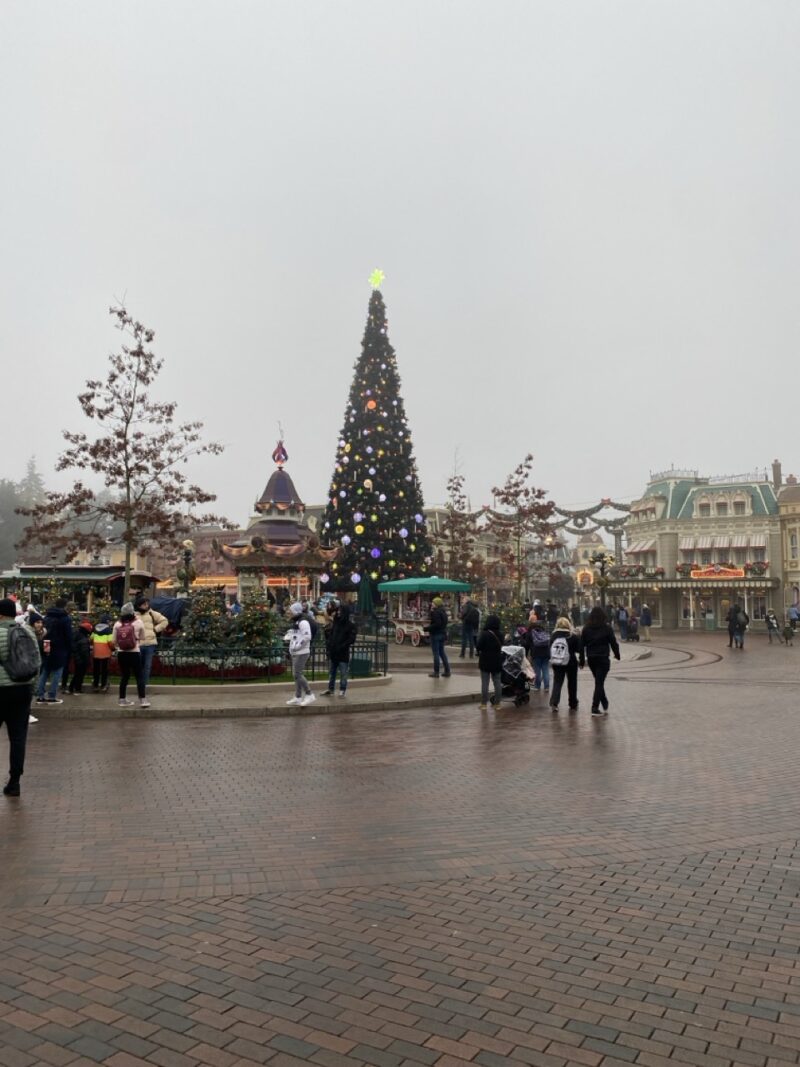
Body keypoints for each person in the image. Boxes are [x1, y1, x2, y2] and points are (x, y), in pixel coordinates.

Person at [0, 598, 40, 797]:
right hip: (22, 690)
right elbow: (36, 662)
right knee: (18, 738)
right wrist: (31, 688)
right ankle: (14, 782)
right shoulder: (28, 632)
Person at [580, 606, 620, 715]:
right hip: (603, 658)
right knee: (599, 682)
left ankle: (604, 701)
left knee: (599, 682)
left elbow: (581, 645)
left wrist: (582, 660)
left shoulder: (586, 628)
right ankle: (595, 707)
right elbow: (613, 642)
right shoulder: (607, 628)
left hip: (591, 658)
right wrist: (617, 654)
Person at [35, 598, 72, 704]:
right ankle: (52, 696)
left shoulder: (47, 617)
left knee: (45, 670)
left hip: (46, 644)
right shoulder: (65, 618)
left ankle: (40, 695)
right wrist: (70, 648)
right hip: (60, 646)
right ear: (65, 606)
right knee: (57, 671)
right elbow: (68, 635)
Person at [112, 603, 149, 708]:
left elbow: (114, 641)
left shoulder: (117, 624)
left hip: (121, 653)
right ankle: (143, 700)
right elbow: (143, 637)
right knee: (139, 676)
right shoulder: (138, 622)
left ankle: (122, 700)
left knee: (124, 676)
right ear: (132, 612)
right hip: (134, 652)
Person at [322, 602, 357, 697]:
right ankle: (331, 689)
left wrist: (342, 646)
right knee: (332, 673)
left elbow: (351, 639)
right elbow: (332, 635)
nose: (338, 612)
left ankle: (342, 689)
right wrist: (329, 639)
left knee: (343, 673)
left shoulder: (350, 626)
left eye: (340, 611)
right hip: (334, 652)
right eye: (338, 611)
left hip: (343, 653)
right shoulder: (336, 623)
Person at [134, 597, 168, 688]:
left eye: (147, 604)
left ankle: (144, 684)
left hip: (150, 643)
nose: (146, 605)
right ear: (139, 605)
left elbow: (164, 621)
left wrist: (155, 629)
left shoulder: (152, 613)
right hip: (138, 644)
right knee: (138, 666)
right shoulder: (134, 615)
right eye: (144, 604)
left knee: (147, 665)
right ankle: (139, 683)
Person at [548, 617, 581, 713]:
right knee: (572, 683)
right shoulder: (572, 636)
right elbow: (578, 649)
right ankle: (573, 703)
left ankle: (554, 702)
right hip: (571, 662)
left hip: (557, 662)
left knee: (557, 682)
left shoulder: (553, 636)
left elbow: (550, 648)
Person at [285, 601, 314, 706]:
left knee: (297, 674)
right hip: (297, 652)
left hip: (302, 652)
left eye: (290, 610)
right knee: (296, 675)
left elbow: (307, 637)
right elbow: (297, 637)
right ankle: (298, 697)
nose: (288, 612)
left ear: (295, 611)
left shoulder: (303, 622)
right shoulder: (296, 622)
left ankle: (309, 694)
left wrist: (297, 647)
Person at [476, 613, 503, 711]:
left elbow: (479, 646)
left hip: (485, 660)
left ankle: (483, 704)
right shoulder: (500, 634)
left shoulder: (484, 634)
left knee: (485, 683)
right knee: (497, 683)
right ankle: (497, 703)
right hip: (497, 660)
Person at [526, 615, 552, 693]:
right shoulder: (543, 629)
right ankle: (546, 687)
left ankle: (537, 686)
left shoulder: (529, 632)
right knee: (545, 669)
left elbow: (527, 644)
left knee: (537, 670)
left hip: (536, 653)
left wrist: (526, 654)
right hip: (546, 652)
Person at [427, 597, 451, 678]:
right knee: (442, 652)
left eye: (433, 603)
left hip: (436, 634)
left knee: (436, 653)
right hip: (442, 634)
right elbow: (443, 623)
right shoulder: (443, 612)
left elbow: (437, 624)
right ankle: (447, 670)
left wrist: (427, 628)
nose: (432, 604)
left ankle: (436, 672)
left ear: (436, 604)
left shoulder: (436, 612)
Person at [68, 619, 94, 693]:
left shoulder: (77, 635)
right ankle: (77, 688)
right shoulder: (84, 639)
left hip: (77, 658)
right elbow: (84, 652)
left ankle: (73, 687)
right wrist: (87, 661)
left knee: (77, 674)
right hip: (82, 660)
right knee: (80, 674)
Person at [91, 614, 114, 692]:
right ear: (107, 621)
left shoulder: (95, 628)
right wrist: (113, 648)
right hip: (105, 653)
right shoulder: (108, 630)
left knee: (96, 669)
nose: (111, 623)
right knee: (104, 670)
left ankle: (95, 685)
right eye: (110, 621)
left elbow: (91, 638)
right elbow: (110, 642)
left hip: (96, 652)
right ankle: (103, 685)